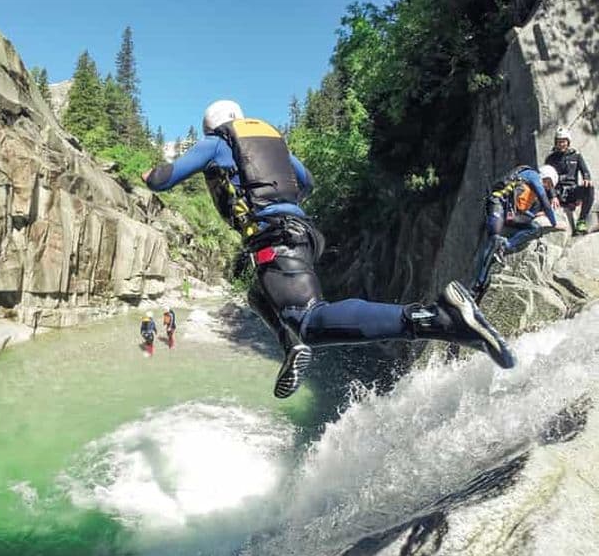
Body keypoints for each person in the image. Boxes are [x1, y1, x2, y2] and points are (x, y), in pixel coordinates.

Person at [142, 100, 515, 399]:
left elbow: (162, 180)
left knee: (309, 320)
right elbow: (306, 182)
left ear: (212, 126)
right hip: (301, 234)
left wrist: (147, 175)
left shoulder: (217, 142)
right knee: (257, 293)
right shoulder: (272, 144)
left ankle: (436, 318)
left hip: (275, 238)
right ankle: (292, 345)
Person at [471, 164, 566, 300]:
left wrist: (535, 215)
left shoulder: (532, 189)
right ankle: (477, 285)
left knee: (534, 228)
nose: (547, 188)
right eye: (549, 184)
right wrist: (555, 223)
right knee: (494, 239)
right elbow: (545, 202)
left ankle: (506, 245)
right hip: (498, 203)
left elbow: (524, 209)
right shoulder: (533, 175)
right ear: (545, 177)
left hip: (509, 212)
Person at [545, 126, 594, 234]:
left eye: (564, 141)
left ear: (568, 142)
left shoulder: (576, 156)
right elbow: (547, 179)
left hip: (572, 191)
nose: (561, 144)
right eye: (559, 142)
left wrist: (586, 179)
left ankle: (581, 221)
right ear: (556, 143)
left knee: (589, 188)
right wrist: (553, 196)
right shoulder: (551, 158)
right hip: (557, 192)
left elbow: (585, 172)